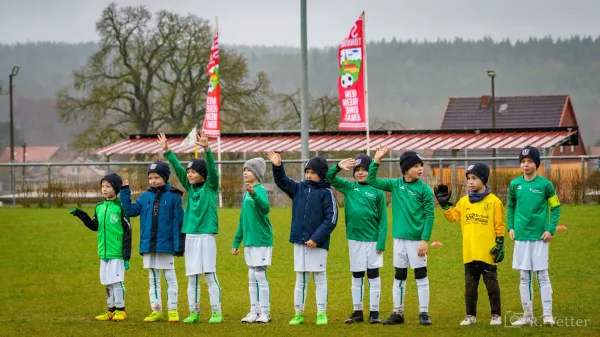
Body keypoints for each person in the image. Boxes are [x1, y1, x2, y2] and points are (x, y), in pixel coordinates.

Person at [158, 131, 223, 324]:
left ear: (202, 174)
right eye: (188, 172)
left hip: (207, 237)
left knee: (210, 275)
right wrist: (168, 152)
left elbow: (212, 168)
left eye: (193, 171)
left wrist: (207, 149)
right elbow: (178, 170)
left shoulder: (211, 186)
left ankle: (216, 312)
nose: (189, 174)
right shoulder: (190, 186)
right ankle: (194, 312)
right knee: (192, 276)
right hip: (191, 237)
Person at [366, 145, 434, 325]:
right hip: (399, 240)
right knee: (399, 274)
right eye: (415, 166)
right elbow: (372, 181)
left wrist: (424, 240)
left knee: (420, 274)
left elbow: (430, 216)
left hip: (417, 242)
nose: (420, 169)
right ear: (405, 169)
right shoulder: (395, 184)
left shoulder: (425, 190)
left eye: (421, 165)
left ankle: (424, 313)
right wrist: (377, 160)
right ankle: (398, 313)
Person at [267, 151, 337, 326]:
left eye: (313, 172)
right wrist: (277, 166)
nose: (309, 175)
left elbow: (331, 219)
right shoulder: (299, 188)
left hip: (318, 244)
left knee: (319, 277)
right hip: (299, 241)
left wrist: (316, 238)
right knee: (301, 278)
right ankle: (299, 313)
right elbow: (282, 181)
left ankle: (321, 313)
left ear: (321, 174)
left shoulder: (327, 193)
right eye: (307, 172)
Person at [434, 162, 504, 325]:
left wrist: (500, 244)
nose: (470, 182)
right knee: (470, 289)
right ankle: (470, 316)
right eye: (468, 179)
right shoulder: (464, 201)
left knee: (492, 287)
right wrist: (444, 205)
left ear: (484, 179)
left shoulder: (494, 202)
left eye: (474, 178)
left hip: (488, 252)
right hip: (470, 252)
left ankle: (496, 315)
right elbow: (453, 217)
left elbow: (499, 225)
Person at [326, 154, 388, 324]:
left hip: (373, 240)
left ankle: (374, 312)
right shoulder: (348, 187)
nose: (360, 173)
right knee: (357, 274)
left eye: (364, 170)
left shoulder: (377, 191)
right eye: (357, 170)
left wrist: (382, 241)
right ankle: (357, 311)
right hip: (354, 239)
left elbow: (383, 219)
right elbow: (329, 177)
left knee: (373, 274)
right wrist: (338, 166)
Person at [120, 161, 185, 323]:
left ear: (165, 177)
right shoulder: (145, 196)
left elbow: (178, 223)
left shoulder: (174, 197)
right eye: (150, 178)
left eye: (157, 177)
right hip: (148, 245)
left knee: (170, 277)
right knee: (153, 279)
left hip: (166, 245)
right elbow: (130, 211)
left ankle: (173, 310)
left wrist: (178, 247)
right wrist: (124, 191)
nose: (153, 181)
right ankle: (156, 310)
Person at [508, 145, 561, 327]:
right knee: (524, 276)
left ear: (537, 163)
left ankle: (547, 316)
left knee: (542, 276)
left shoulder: (545, 185)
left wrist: (551, 229)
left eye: (530, 161)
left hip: (539, 237)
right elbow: (511, 207)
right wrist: (511, 227)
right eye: (523, 161)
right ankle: (528, 316)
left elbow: (555, 208)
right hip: (521, 237)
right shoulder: (515, 185)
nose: (526, 164)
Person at [70, 173, 131, 322]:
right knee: (107, 282)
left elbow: (128, 231)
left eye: (108, 186)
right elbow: (94, 225)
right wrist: (81, 215)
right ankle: (110, 311)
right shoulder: (99, 207)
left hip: (116, 252)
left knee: (117, 282)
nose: (104, 189)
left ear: (115, 188)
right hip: (103, 252)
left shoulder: (120, 207)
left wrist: (126, 256)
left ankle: (120, 310)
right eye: (102, 186)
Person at [232, 157, 273, 324]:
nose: (245, 173)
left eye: (248, 170)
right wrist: (236, 241)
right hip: (249, 241)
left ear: (256, 173)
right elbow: (243, 220)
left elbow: (265, 208)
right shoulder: (246, 194)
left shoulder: (259, 190)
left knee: (260, 274)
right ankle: (253, 311)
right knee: (251, 275)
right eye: (244, 170)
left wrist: (254, 194)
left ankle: (265, 312)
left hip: (261, 240)